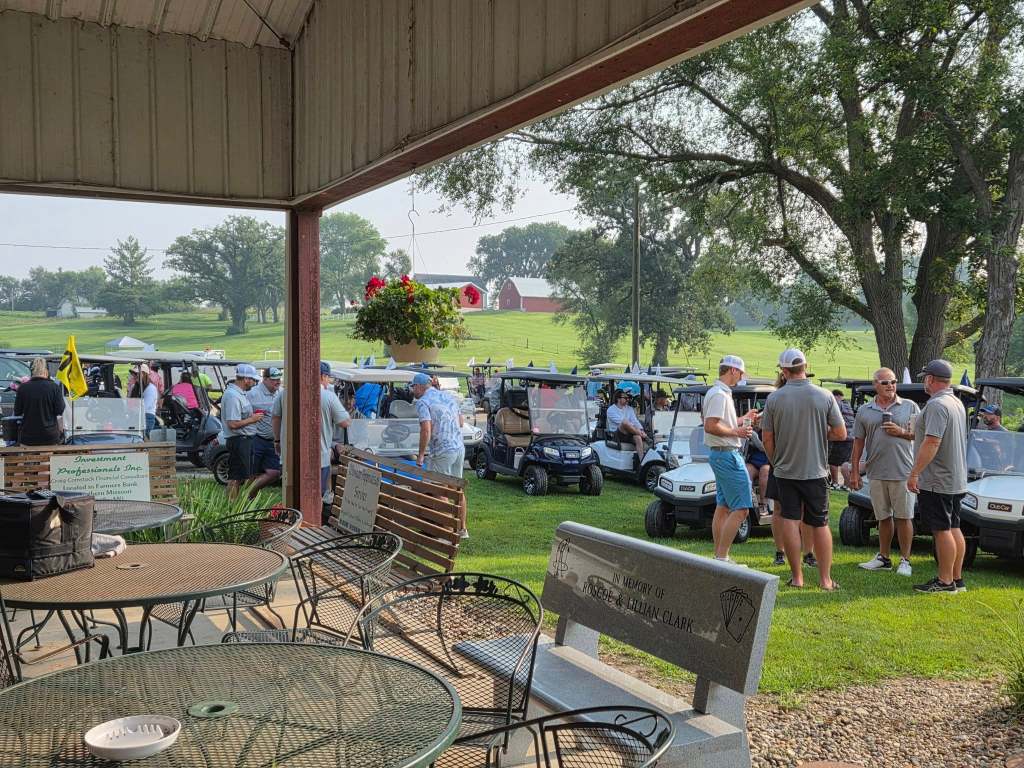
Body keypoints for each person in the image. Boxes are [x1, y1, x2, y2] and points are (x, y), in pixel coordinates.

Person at [761, 348, 845, 590]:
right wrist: (819, 433)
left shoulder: (774, 398)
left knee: (789, 519)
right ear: (805, 368)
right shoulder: (825, 395)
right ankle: (825, 580)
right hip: (815, 471)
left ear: (784, 371)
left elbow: (767, 438)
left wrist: (775, 461)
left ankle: (797, 577)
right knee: (820, 523)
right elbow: (840, 433)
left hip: (785, 471)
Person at [849, 368, 920, 576]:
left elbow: (919, 436)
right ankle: (884, 557)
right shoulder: (864, 410)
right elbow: (858, 443)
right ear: (875, 385)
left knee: (904, 517)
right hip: (876, 471)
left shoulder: (909, 406)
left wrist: (901, 433)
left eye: (893, 382)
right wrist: (854, 471)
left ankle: (905, 560)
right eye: (885, 382)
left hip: (903, 470)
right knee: (883, 517)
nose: (890, 386)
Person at [909, 359, 968, 594]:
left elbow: (932, 441)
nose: (924, 381)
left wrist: (915, 473)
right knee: (954, 527)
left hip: (938, 479)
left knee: (941, 529)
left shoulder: (936, 405)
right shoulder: (956, 402)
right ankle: (957, 578)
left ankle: (945, 582)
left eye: (925, 377)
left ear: (931, 379)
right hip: (955, 477)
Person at [702, 355, 757, 563]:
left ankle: (719, 556)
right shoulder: (720, 395)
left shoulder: (715, 392)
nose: (741, 376)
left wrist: (743, 420)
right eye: (741, 372)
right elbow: (710, 425)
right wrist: (737, 432)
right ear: (732, 370)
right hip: (727, 454)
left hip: (720, 454)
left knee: (723, 507)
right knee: (742, 509)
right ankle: (722, 557)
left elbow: (717, 423)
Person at [412, 371, 468, 537]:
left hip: (442, 450)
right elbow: (460, 422)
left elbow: (426, 429)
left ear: (420, 386)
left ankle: (446, 529)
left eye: (413, 386)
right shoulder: (448, 397)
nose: (412, 390)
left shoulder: (423, 402)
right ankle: (462, 529)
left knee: (439, 490)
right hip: (458, 448)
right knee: (457, 491)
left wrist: (421, 455)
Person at [220, 364, 263, 500]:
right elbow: (232, 424)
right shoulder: (233, 396)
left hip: (244, 440)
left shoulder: (239, 394)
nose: (254, 383)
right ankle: (232, 505)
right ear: (245, 379)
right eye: (253, 380)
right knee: (236, 477)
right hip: (239, 440)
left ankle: (237, 502)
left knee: (242, 476)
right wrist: (253, 419)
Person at [246, 367, 283, 497]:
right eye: (274, 380)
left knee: (275, 472)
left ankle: (249, 492)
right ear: (265, 379)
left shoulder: (281, 393)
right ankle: (248, 500)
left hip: (273, 440)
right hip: (256, 438)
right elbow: (243, 413)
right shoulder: (252, 394)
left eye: (279, 379)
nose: (277, 382)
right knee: (252, 472)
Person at [13, 357, 65, 445]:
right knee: (49, 459)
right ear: (46, 370)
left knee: (29, 459)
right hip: (50, 436)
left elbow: (17, 411)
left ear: (32, 371)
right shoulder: (54, 387)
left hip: (28, 436)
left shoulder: (23, 388)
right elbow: (59, 410)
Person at [319, 362, 351, 499]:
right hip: (320, 455)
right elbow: (346, 422)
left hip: (293, 455)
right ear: (322, 376)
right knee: (316, 496)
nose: (329, 381)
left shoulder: (286, 393)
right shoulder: (328, 396)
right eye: (328, 377)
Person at [828, 390, 855, 489]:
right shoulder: (847, 405)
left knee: (833, 461)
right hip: (851, 437)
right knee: (845, 462)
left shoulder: (838, 404)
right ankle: (847, 485)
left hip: (841, 437)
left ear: (837, 396)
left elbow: (832, 419)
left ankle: (834, 483)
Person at [606, 389, 647, 455]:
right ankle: (643, 435)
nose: (627, 399)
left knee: (638, 438)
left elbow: (635, 421)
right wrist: (639, 431)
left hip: (630, 432)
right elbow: (623, 423)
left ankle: (642, 462)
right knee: (625, 422)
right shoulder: (611, 410)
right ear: (618, 399)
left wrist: (641, 429)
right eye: (625, 398)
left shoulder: (629, 409)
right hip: (617, 434)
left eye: (628, 398)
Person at [130, 363, 159, 437]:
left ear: (144, 374)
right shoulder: (135, 387)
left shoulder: (151, 388)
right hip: (136, 416)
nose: (134, 376)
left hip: (146, 417)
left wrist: (133, 408)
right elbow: (130, 403)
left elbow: (145, 407)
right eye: (134, 374)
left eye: (137, 374)